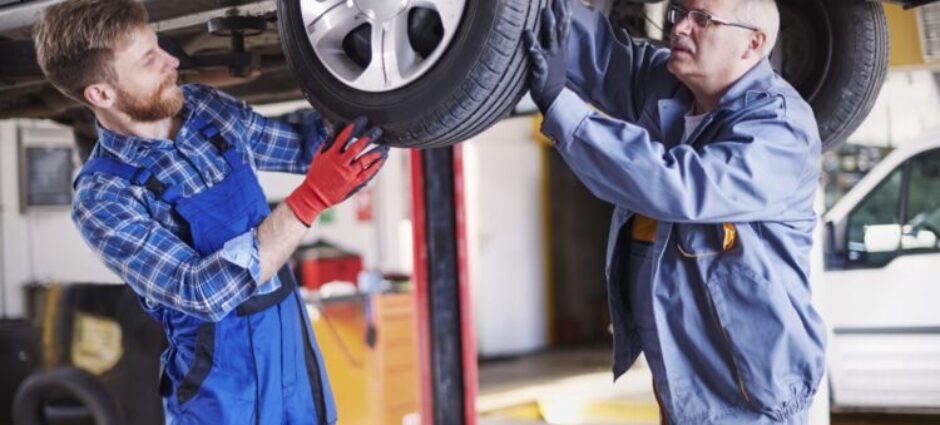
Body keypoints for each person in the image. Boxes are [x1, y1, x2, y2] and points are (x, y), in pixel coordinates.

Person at [33, 0, 387, 422]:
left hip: (291, 363)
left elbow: (301, 145)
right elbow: (201, 292)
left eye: (159, 46)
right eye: (149, 60)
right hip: (220, 393)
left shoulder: (205, 110)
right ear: (101, 94)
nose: (173, 60)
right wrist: (310, 200)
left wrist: (385, 100)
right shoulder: (103, 197)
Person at [526, 0, 827, 423]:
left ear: (752, 44)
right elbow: (600, 54)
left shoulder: (781, 128)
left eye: (702, 19)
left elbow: (680, 186)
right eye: (680, 12)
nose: (680, 27)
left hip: (750, 402)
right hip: (684, 392)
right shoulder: (671, 86)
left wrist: (564, 110)